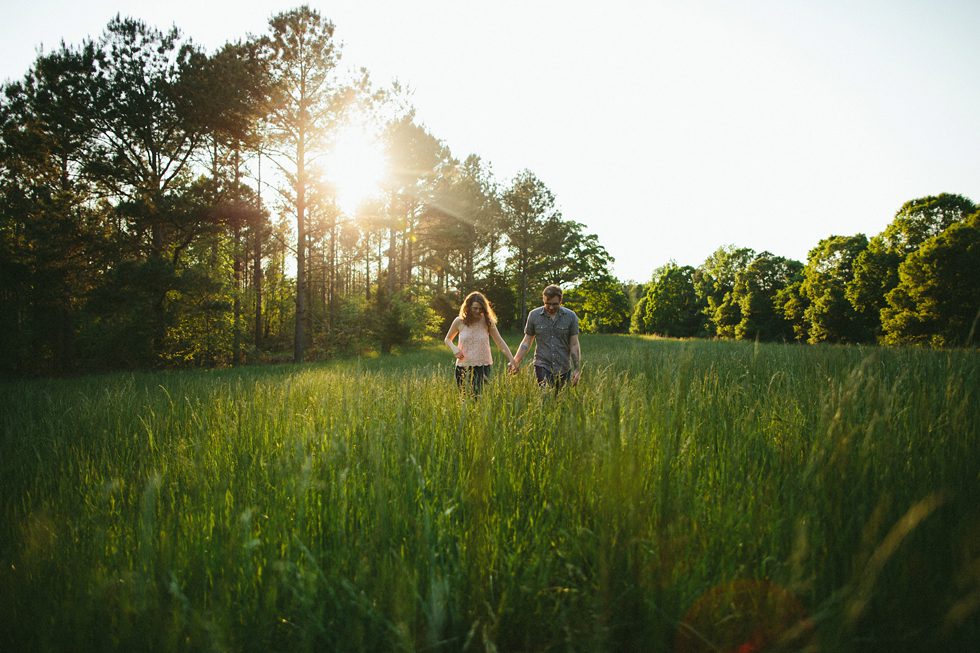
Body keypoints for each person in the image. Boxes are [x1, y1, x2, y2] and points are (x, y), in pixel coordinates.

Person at [509, 284, 582, 389]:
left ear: (561, 301)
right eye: (547, 304)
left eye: (555, 304)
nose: (551, 307)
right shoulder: (534, 315)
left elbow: (574, 344)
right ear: (543, 300)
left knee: (559, 401)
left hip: (563, 366)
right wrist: (515, 361)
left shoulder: (571, 316)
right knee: (545, 395)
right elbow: (527, 341)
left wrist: (577, 369)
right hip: (542, 364)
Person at [444, 291, 516, 395]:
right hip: (462, 366)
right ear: (468, 307)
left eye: (481, 308)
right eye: (475, 308)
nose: (478, 311)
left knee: (478, 398)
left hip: (482, 367)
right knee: (463, 400)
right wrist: (454, 348)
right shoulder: (459, 321)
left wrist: (512, 360)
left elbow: (499, 341)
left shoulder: (487, 321)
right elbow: (447, 339)